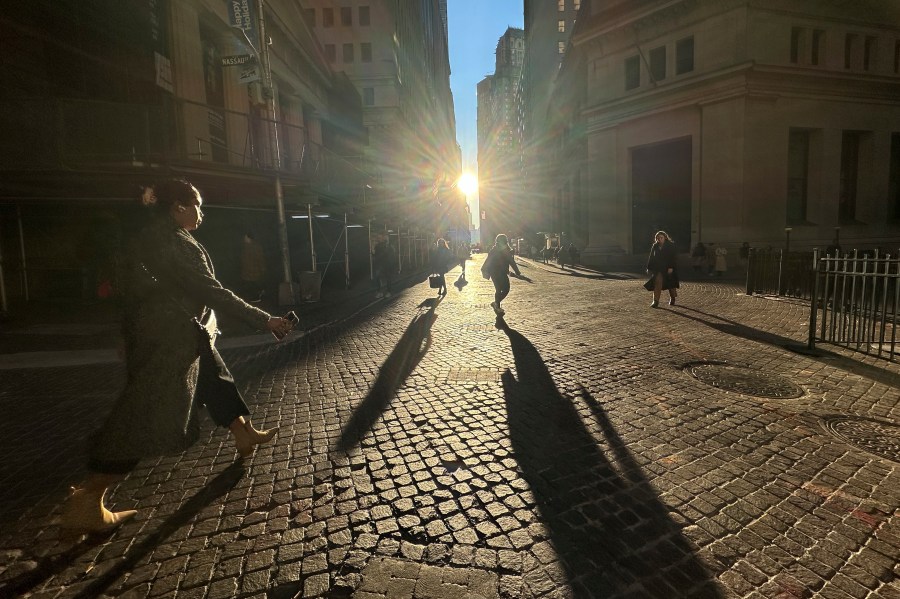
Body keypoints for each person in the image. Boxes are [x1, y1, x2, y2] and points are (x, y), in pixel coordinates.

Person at [60, 179, 293, 535]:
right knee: (144, 419)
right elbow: (211, 290)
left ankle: (242, 433)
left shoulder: (145, 238)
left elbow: (131, 293)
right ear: (178, 207)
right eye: (197, 205)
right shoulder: (176, 243)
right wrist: (266, 319)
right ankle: (88, 499)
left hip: (157, 337)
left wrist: (128, 334)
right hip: (170, 342)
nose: (201, 212)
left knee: (171, 399)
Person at [482, 233, 521, 316]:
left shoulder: (493, 249)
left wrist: (485, 269)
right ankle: (496, 304)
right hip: (501, 272)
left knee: (498, 289)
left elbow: (488, 260)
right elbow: (511, 262)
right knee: (506, 289)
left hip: (493, 272)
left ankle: (497, 305)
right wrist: (517, 271)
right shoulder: (505, 250)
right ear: (505, 241)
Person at [646, 230, 679, 308]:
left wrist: (671, 267)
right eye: (658, 238)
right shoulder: (655, 246)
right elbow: (651, 257)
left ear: (665, 237)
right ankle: (655, 301)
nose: (659, 239)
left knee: (671, 284)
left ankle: (673, 297)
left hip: (668, 267)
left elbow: (673, 257)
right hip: (658, 268)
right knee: (657, 283)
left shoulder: (670, 245)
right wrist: (649, 267)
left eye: (661, 237)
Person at [240, 232, 266, 302]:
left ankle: (257, 297)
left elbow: (260, 258)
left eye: (245, 237)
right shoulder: (245, 246)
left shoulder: (256, 247)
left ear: (249, 238)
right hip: (247, 270)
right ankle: (252, 297)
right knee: (249, 284)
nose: (244, 239)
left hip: (254, 269)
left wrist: (261, 268)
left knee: (254, 283)